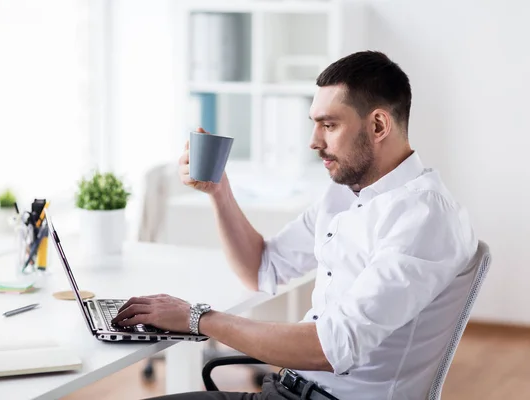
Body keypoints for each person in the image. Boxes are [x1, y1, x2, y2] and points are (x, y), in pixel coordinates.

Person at [111, 51, 478, 400]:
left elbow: (329, 348)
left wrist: (197, 318)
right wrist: (219, 192)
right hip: (288, 387)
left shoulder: (424, 217)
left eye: (329, 125)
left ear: (378, 124)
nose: (313, 141)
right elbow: (261, 268)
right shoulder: (345, 196)